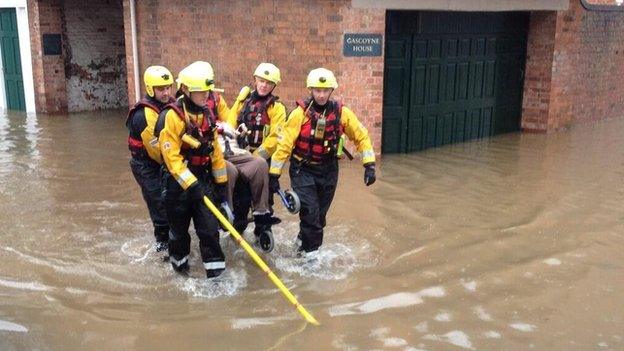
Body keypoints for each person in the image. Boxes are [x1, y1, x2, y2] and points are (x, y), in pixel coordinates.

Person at [268, 68, 377, 262]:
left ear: (331, 91)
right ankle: (311, 258)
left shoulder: (342, 113)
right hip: (303, 170)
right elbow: (284, 145)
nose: (321, 94)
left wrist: (369, 165)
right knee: (310, 214)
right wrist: (274, 174)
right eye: (317, 90)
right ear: (310, 90)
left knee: (319, 218)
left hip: (328, 170)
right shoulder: (299, 114)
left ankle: (303, 242)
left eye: (325, 90)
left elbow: (361, 136)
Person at [156, 61, 228, 278]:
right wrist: (191, 185)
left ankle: (217, 278)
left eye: (207, 91)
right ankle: (181, 272)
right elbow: (172, 159)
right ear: (186, 90)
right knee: (178, 234)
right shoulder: (172, 116)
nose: (205, 95)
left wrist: (222, 187)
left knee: (209, 231)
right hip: (178, 185)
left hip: (202, 181)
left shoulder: (207, 114)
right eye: (199, 92)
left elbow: (214, 152)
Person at [223, 63, 287, 251]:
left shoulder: (277, 108)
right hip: (240, 156)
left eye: (268, 83)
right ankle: (238, 230)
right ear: (255, 80)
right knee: (240, 198)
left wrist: (256, 156)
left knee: (264, 199)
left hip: (261, 159)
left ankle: (263, 231)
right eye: (261, 81)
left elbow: (275, 137)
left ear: (274, 85)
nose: (263, 85)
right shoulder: (243, 101)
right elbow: (229, 122)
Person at [125, 65, 174, 253]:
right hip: (145, 165)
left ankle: (170, 237)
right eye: (161, 89)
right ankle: (162, 245)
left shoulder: (168, 105)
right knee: (158, 202)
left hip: (160, 162)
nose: (166, 92)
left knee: (169, 200)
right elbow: (157, 150)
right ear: (150, 89)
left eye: (168, 87)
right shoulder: (144, 115)